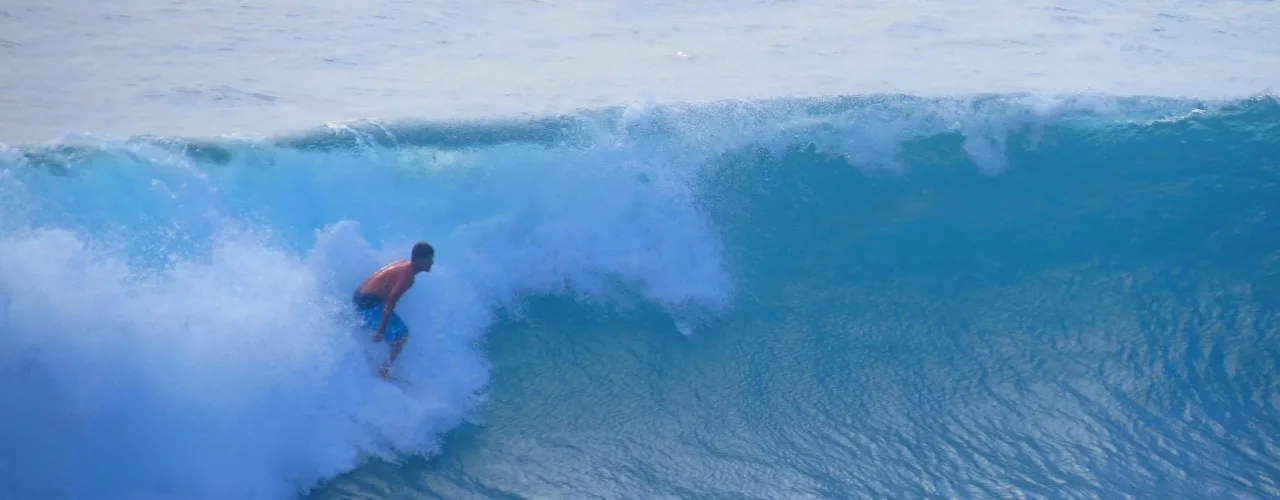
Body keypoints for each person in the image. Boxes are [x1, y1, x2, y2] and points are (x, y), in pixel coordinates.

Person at [352, 241, 434, 380]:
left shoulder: (404, 264)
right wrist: (381, 331)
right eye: (429, 259)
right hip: (368, 303)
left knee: (370, 326)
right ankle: (383, 371)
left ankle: (347, 324)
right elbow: (391, 301)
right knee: (402, 334)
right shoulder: (408, 277)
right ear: (419, 260)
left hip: (360, 296)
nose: (432, 262)